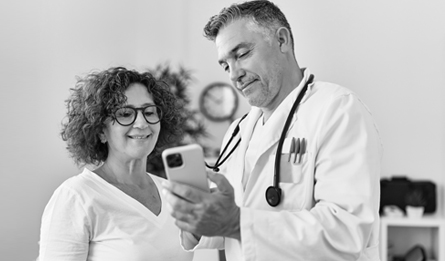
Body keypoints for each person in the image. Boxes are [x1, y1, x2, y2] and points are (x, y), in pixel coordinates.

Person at [161, 1, 382, 260]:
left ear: (282, 40)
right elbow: (232, 224)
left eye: (242, 54)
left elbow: (345, 233)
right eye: (225, 65)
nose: (234, 74)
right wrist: (198, 223)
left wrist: (235, 221)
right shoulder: (238, 131)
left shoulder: (338, 110)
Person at [38, 67, 193, 261]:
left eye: (149, 111)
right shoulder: (76, 197)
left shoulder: (173, 193)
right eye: (126, 114)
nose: (142, 123)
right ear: (101, 130)